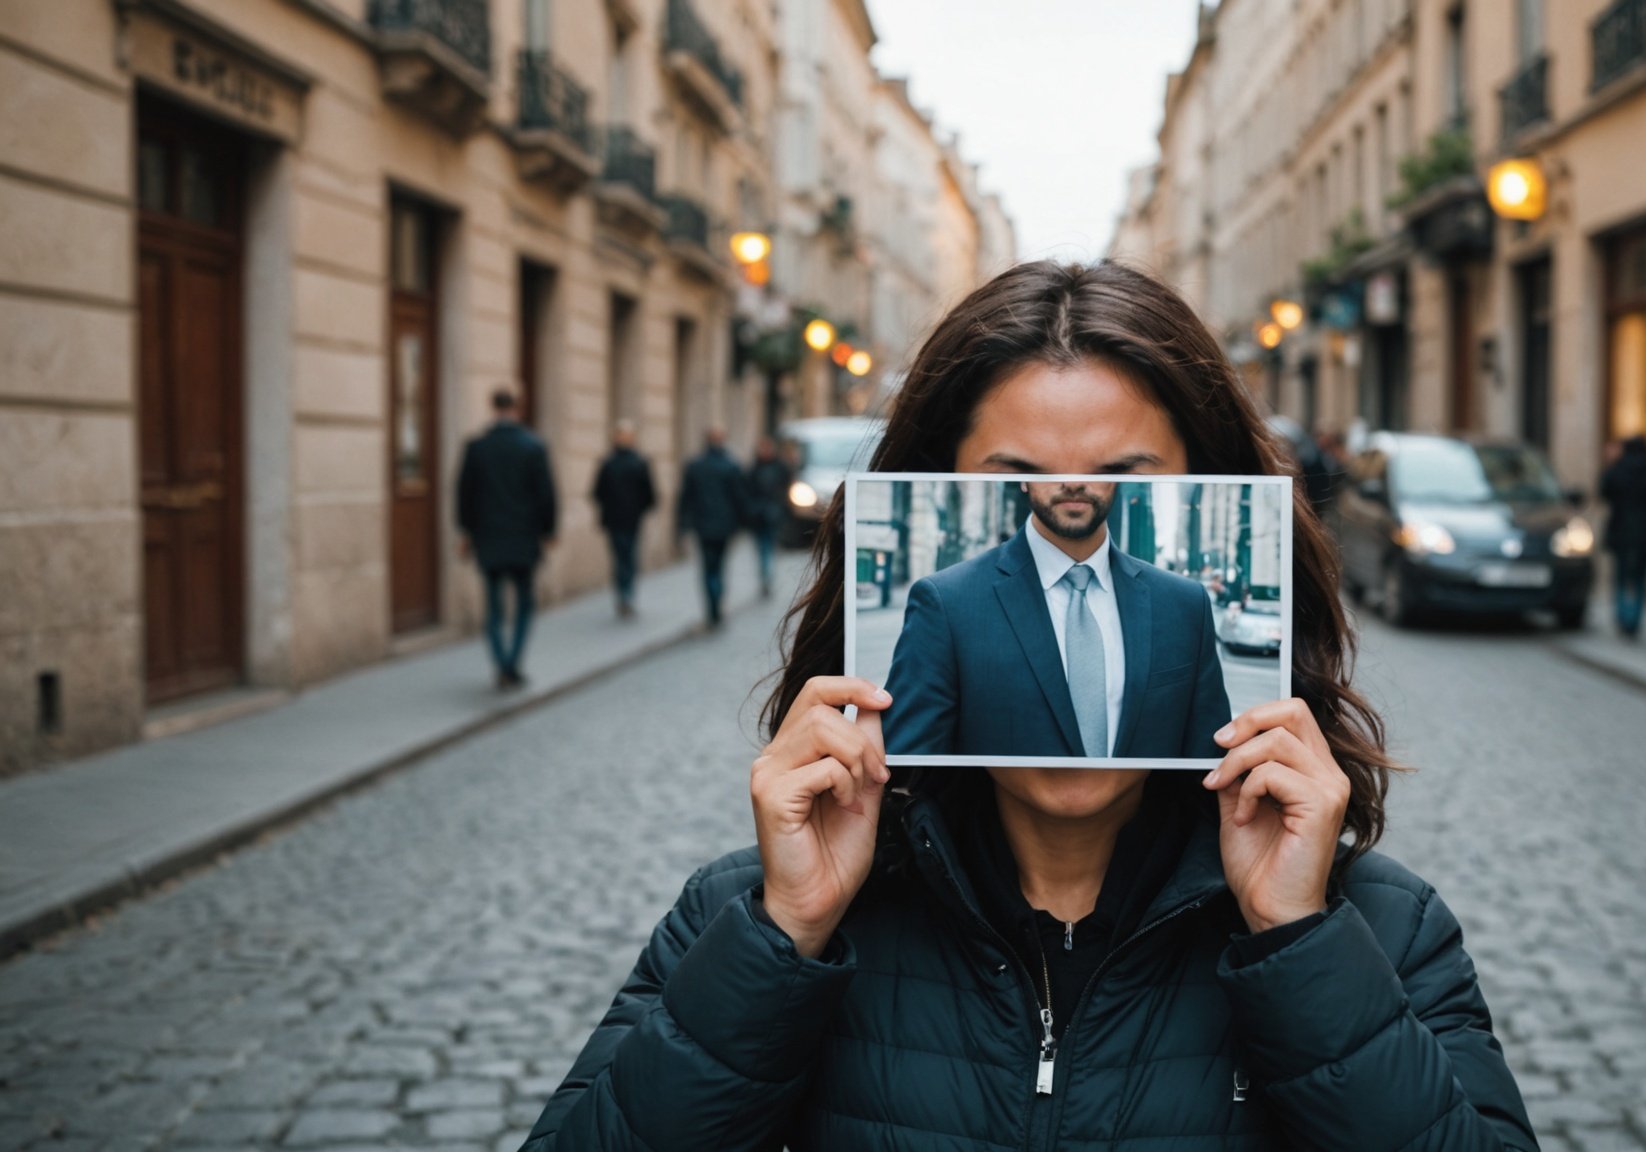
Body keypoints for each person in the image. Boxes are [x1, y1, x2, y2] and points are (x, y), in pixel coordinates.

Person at [522, 262, 1536, 1151]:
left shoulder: (1378, 931)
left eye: (1125, 475)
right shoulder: (756, 914)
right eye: (1016, 475)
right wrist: (782, 939)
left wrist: (1299, 946)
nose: (1070, 495)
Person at [881, 478, 1232, 760]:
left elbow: (1211, 769)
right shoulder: (946, 601)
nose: (1074, 481)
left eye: (1095, 466)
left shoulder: (1185, 604)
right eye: (1050, 464)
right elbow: (908, 766)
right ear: (1021, 477)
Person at [455, 387, 556, 690]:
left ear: (492, 407)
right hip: (524, 539)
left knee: (494, 607)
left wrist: (466, 532)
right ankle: (513, 663)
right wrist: (548, 532)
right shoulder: (533, 446)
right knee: (525, 604)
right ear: (517, 409)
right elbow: (546, 496)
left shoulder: (477, 447)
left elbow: (464, 495)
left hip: (489, 539)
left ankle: (501, 663)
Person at [677, 428, 747, 627]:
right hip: (725, 525)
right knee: (720, 566)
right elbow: (739, 498)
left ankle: (712, 606)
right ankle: (717, 602)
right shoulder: (730, 466)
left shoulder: (695, 466)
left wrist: (683, 523)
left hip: (703, 525)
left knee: (708, 567)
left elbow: (685, 497)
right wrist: (742, 522)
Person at [1598, 434, 1646, 640]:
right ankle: (1634, 619)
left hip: (1621, 530)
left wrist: (1610, 464)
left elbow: (1603, 493)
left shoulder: (1617, 471)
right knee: (1640, 578)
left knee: (1621, 576)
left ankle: (1623, 616)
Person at [590, 419, 657, 619]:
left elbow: (597, 492)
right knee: (627, 556)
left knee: (622, 557)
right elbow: (650, 496)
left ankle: (624, 593)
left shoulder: (613, 462)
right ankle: (625, 594)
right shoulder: (633, 462)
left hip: (618, 518)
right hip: (628, 518)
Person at [745, 435, 795, 599]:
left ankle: (767, 576)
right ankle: (765, 576)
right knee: (762, 549)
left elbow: (788, 488)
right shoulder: (754, 469)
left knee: (768, 548)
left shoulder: (780, 468)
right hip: (759, 517)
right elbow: (747, 493)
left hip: (774, 515)